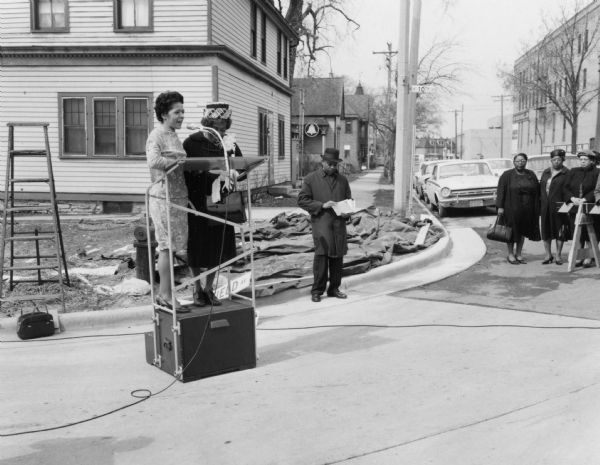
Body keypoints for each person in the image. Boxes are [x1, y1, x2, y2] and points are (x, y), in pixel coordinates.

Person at [183, 102, 245, 306]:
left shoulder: (229, 143)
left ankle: (209, 289)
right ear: (207, 123)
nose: (220, 131)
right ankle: (196, 289)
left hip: (222, 201)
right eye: (216, 127)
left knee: (218, 246)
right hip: (198, 201)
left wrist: (237, 173)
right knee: (197, 246)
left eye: (223, 127)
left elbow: (242, 167)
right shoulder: (192, 142)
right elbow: (182, 172)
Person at [146, 91, 189, 311]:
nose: (181, 115)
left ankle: (169, 294)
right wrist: (177, 161)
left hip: (178, 196)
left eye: (183, 111)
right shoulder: (157, 135)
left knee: (174, 248)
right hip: (163, 198)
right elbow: (153, 160)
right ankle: (164, 295)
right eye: (177, 112)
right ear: (164, 114)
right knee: (166, 247)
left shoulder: (173, 134)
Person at [297, 148, 352, 302]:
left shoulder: (343, 180)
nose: (333, 167)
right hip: (321, 222)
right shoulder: (311, 179)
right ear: (322, 162)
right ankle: (317, 290)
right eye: (330, 164)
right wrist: (322, 205)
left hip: (338, 223)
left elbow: (349, 200)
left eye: (336, 164)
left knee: (337, 257)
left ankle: (334, 288)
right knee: (321, 257)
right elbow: (302, 200)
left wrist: (348, 212)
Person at [496, 153, 540, 264]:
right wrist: (500, 207)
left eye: (523, 161)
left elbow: (537, 191)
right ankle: (510, 254)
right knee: (510, 231)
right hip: (511, 208)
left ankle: (519, 254)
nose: (520, 163)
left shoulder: (531, 174)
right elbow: (501, 191)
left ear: (526, 161)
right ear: (514, 162)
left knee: (522, 231)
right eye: (517, 161)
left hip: (527, 208)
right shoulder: (507, 175)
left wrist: (536, 207)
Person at [563, 149, 600, 267]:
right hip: (574, 207)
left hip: (590, 207)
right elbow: (565, 188)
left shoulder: (596, 172)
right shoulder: (573, 172)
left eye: (586, 160)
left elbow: (596, 189)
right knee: (577, 233)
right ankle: (578, 256)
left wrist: (585, 199)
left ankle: (589, 256)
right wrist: (572, 198)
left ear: (592, 161)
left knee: (591, 232)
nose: (583, 162)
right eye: (581, 159)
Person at [539, 149, 570, 265]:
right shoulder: (546, 172)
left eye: (559, 159)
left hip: (560, 206)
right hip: (545, 206)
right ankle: (548, 254)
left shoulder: (567, 173)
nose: (556, 162)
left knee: (559, 230)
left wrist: (567, 205)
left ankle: (558, 255)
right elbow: (541, 189)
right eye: (554, 160)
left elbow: (569, 190)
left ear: (563, 160)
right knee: (546, 230)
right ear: (551, 160)